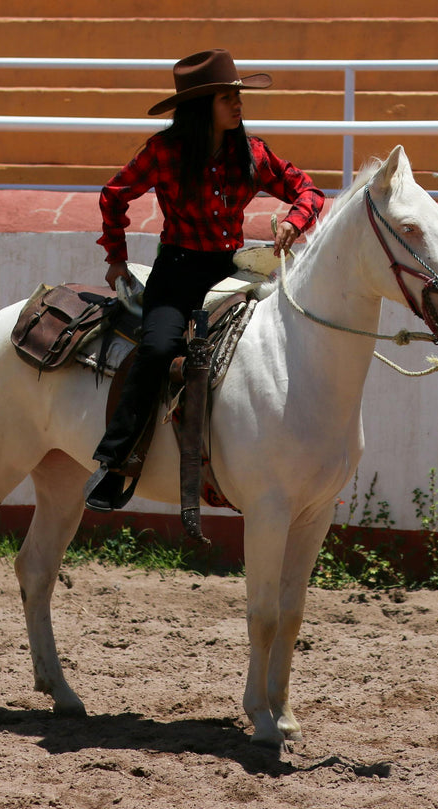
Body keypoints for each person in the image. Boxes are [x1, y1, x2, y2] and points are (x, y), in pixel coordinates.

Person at [84, 49, 324, 512]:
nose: (238, 104)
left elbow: (308, 189)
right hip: (177, 271)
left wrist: (296, 221)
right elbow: (114, 195)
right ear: (201, 105)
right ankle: (115, 462)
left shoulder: (251, 153)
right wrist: (116, 256)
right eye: (226, 97)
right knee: (157, 349)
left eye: (237, 95)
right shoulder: (164, 152)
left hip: (231, 269)